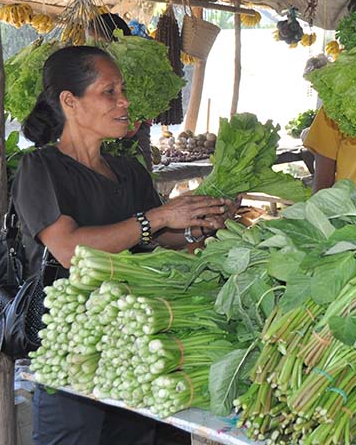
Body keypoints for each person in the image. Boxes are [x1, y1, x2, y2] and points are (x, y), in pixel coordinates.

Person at [13, 46, 232, 445]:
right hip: (74, 347)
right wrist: (159, 218)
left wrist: (198, 225)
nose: (124, 101)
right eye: (109, 91)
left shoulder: (129, 170)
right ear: (70, 102)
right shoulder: (41, 168)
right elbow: (69, 250)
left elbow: (157, 239)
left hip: (140, 340)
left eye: (123, 90)